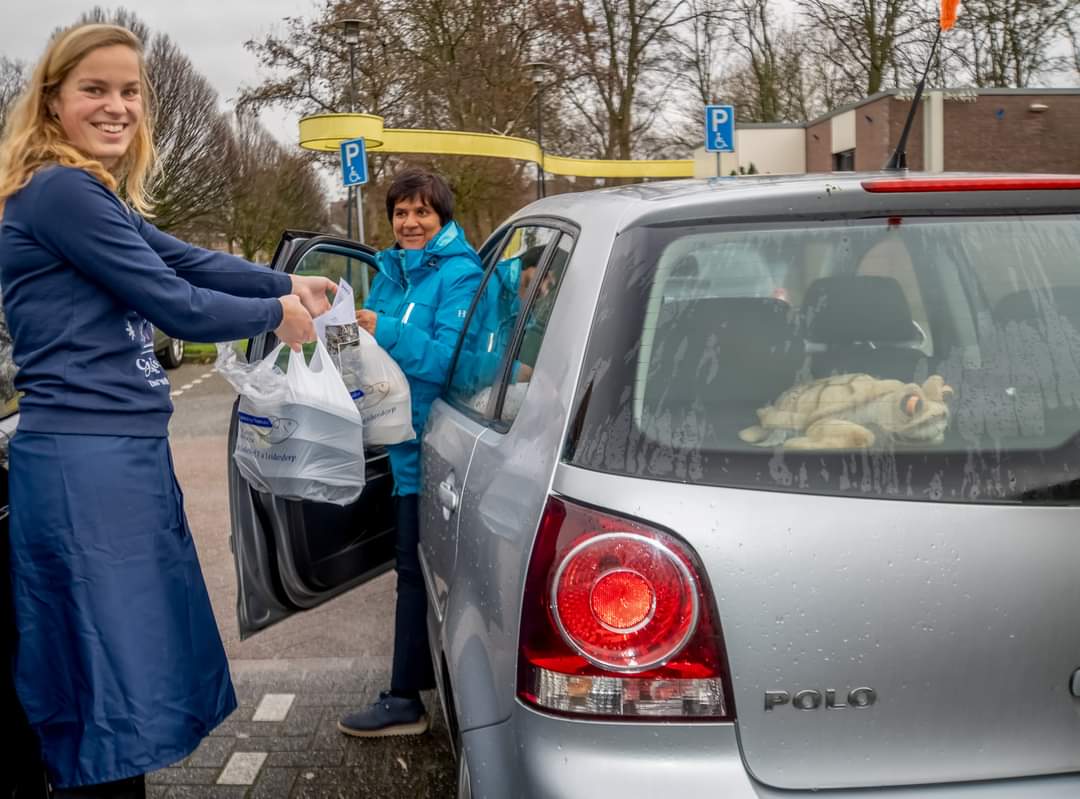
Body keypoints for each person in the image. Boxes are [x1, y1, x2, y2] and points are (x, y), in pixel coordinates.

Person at [0, 24, 333, 796]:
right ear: (52, 101)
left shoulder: (87, 190)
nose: (118, 106)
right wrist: (273, 313)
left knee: (122, 680)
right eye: (95, 89)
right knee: (103, 686)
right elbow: (172, 301)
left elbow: (182, 257)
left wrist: (283, 283)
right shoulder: (59, 190)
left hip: (115, 460)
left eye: (130, 91)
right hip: (88, 467)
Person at [338, 168, 482, 737]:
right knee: (410, 570)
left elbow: (455, 364)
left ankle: (406, 698)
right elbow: (372, 354)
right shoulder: (390, 272)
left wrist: (386, 329)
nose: (410, 222)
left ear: (441, 217)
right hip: (400, 443)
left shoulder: (461, 275)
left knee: (415, 573)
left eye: (422, 212)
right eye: (401, 213)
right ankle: (411, 691)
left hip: (436, 449)